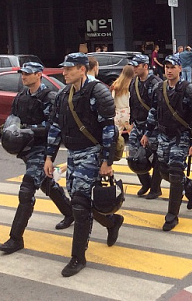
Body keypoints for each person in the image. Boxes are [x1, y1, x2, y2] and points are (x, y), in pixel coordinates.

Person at [44, 53, 124, 277]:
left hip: (93, 154)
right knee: (82, 203)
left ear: (82, 69)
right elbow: (55, 128)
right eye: (64, 68)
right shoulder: (62, 95)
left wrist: (107, 161)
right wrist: (49, 157)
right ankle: (111, 222)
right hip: (73, 154)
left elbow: (109, 128)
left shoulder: (98, 92)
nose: (64, 72)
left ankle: (78, 257)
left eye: (69, 69)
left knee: (79, 205)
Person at [0, 62, 74, 255]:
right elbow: (12, 117)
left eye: (28, 74)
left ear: (39, 75)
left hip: (41, 149)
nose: (24, 77)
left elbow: (53, 127)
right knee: (47, 183)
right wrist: (11, 129)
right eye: (22, 73)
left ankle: (16, 238)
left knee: (27, 190)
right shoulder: (21, 97)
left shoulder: (49, 98)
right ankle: (70, 212)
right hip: (26, 148)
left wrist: (29, 130)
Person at [140, 54, 192, 231]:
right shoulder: (159, 89)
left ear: (179, 69)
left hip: (181, 136)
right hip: (163, 135)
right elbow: (154, 112)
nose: (169, 70)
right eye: (166, 67)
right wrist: (147, 133)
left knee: (176, 173)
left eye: (172, 67)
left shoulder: (190, 90)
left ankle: (172, 216)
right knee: (164, 171)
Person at [128, 54, 162, 199]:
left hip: (153, 127)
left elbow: (157, 109)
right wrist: (131, 121)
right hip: (137, 124)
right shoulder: (134, 82)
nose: (134, 68)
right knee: (134, 156)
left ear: (146, 66)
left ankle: (155, 188)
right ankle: (145, 183)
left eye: (137, 66)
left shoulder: (156, 83)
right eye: (133, 66)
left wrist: (148, 132)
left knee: (156, 159)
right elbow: (133, 101)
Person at [110, 64, 134, 142]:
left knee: (116, 136)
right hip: (128, 113)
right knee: (133, 135)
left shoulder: (115, 85)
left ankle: (115, 151)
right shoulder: (131, 86)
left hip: (117, 113)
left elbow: (112, 99)